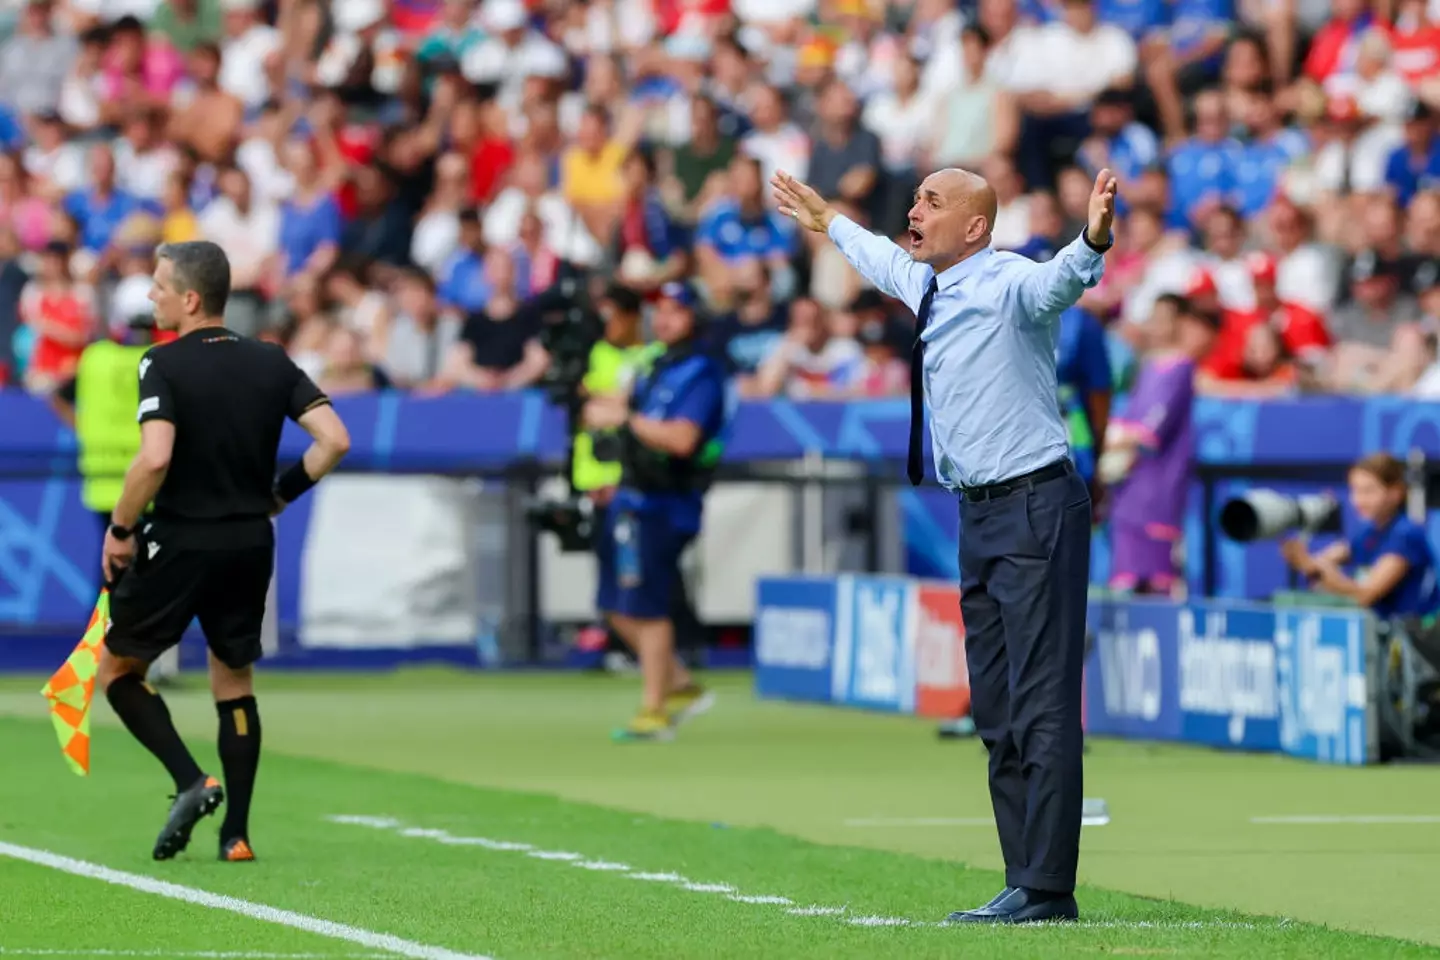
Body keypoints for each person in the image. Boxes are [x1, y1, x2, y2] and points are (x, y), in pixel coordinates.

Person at [771, 164, 1118, 924]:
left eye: (930, 201)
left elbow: (1059, 283)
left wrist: (1092, 239)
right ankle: (1024, 877)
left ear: (974, 227)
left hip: (1034, 504)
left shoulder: (1007, 281)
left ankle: (1047, 886)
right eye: (915, 198)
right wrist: (828, 220)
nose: (914, 209)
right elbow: (878, 257)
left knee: (1041, 702)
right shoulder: (929, 285)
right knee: (994, 707)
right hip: (979, 513)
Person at [94, 240, 351, 863]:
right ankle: (236, 834)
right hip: (249, 542)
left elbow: (155, 457)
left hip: (180, 539)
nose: (151, 295)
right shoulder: (271, 360)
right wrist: (279, 495)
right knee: (233, 680)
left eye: (159, 286)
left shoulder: (162, 362)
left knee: (118, 672)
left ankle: (191, 780)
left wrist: (122, 528)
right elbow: (334, 440)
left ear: (190, 299)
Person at [581, 281, 727, 742]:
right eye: (658, 311)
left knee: (647, 605)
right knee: (613, 605)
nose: (663, 320)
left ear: (694, 318)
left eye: (675, 311)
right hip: (630, 494)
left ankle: (654, 709)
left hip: (666, 500)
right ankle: (678, 684)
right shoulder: (654, 365)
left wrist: (624, 419)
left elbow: (682, 439)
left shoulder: (701, 373)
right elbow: (627, 413)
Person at [1104, 295, 1216, 597]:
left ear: (1180, 322)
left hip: (1161, 484)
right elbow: (1131, 417)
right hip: (1130, 486)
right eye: (1154, 317)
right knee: (1126, 574)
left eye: (1164, 318)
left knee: (1158, 577)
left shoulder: (1182, 368)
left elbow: (1153, 428)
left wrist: (1113, 438)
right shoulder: (1147, 365)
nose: (1156, 325)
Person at [1281, 453, 1440, 621]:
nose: (1358, 500)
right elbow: (1322, 560)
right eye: (1354, 490)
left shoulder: (1406, 534)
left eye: (1368, 491)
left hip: (1409, 633)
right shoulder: (1367, 531)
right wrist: (1305, 559)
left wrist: (1315, 569)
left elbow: (1365, 595)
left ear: (1395, 492)